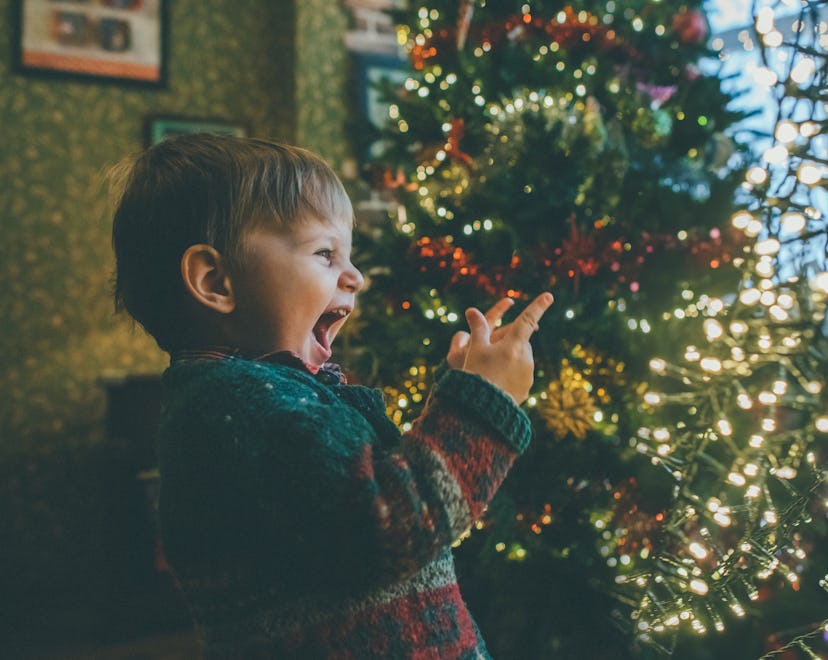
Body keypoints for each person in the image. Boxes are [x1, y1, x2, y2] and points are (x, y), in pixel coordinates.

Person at [111, 133, 554, 659]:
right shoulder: (233, 406)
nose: (356, 277)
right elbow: (392, 524)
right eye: (325, 253)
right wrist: (481, 403)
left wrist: (456, 391)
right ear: (215, 281)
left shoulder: (266, 397)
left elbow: (381, 480)